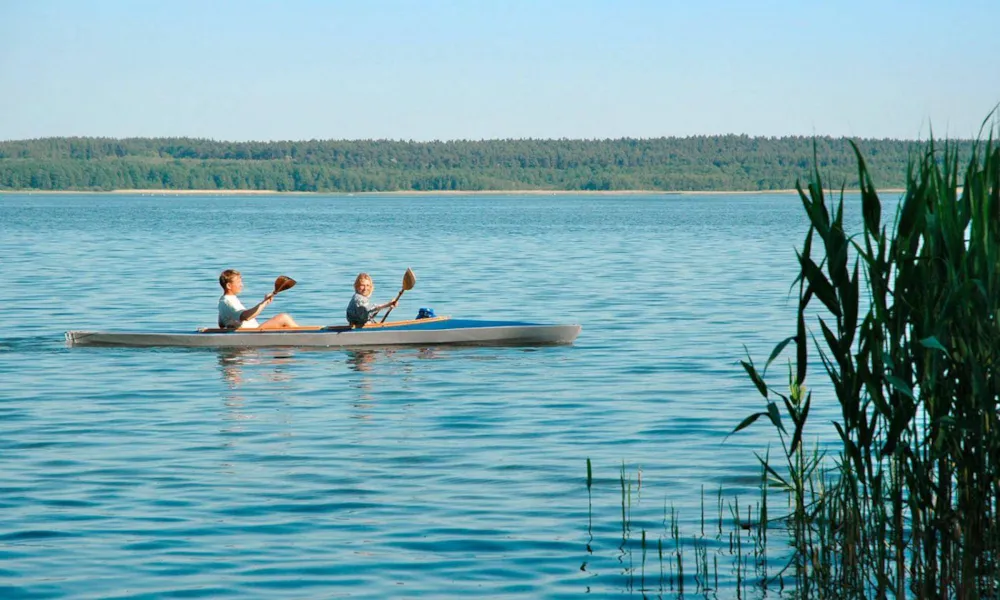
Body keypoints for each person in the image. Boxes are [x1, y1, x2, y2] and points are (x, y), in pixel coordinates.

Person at [218, 269, 299, 330]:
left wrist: (265, 302)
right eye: (238, 282)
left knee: (285, 327)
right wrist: (263, 303)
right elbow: (246, 317)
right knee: (284, 317)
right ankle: (304, 336)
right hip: (250, 334)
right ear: (229, 285)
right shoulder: (228, 301)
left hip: (252, 332)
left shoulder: (224, 301)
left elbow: (221, 323)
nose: (241, 285)